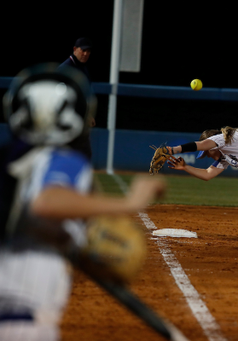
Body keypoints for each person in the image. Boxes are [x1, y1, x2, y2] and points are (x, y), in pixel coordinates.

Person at [0, 63, 165, 341]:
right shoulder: (62, 158)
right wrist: (129, 203)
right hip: (21, 303)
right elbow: (46, 202)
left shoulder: (7, 157)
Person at [58, 37, 95, 160]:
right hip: (66, 123)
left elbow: (83, 94)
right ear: (75, 49)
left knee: (84, 156)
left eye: (88, 51)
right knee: (72, 156)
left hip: (80, 122)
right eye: (83, 50)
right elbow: (62, 98)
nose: (85, 54)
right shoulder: (65, 69)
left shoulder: (82, 68)